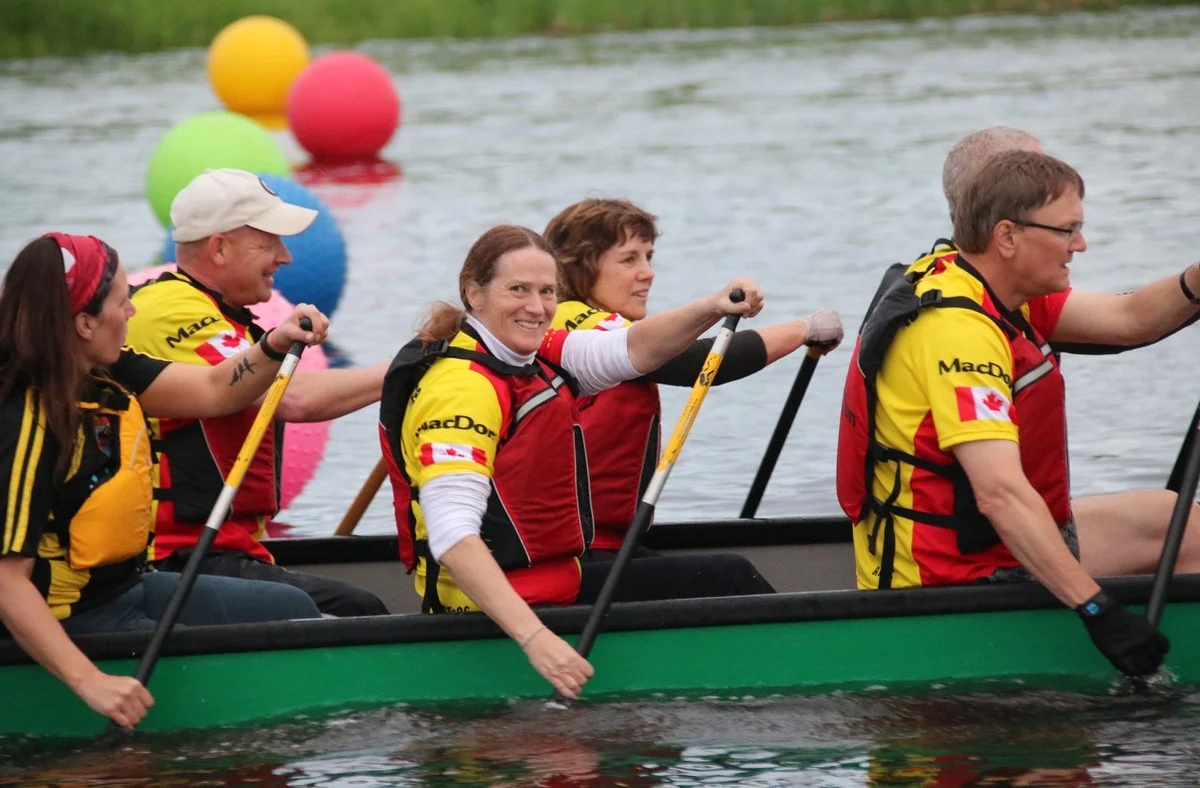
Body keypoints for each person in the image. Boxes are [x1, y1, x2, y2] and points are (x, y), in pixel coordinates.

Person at [835, 144, 1200, 678]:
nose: (1081, 245)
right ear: (1007, 236)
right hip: (954, 573)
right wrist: (1097, 610)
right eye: (1067, 230)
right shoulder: (957, 331)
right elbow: (1000, 494)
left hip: (989, 543)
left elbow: (1129, 319)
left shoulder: (988, 282)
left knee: (1179, 520)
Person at [378, 224, 775, 699]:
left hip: (556, 585)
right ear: (474, 294)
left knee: (721, 574)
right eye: (518, 290)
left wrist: (713, 307)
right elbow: (452, 536)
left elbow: (633, 349)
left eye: (547, 292)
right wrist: (536, 639)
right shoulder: (461, 387)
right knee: (726, 578)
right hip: (496, 612)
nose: (537, 307)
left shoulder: (527, 358)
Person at [0, 232, 326, 730]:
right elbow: (5, 582)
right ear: (84, 323)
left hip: (124, 588)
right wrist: (90, 682)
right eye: (119, 302)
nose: (131, 312)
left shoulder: (106, 371)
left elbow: (215, 389)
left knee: (292, 608)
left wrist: (274, 343)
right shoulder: (24, 417)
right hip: (70, 618)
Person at [125, 168, 389, 617]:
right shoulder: (168, 310)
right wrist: (406, 367)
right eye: (269, 242)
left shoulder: (218, 311)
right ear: (219, 247)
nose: (285, 257)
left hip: (228, 551)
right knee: (357, 609)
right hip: (173, 559)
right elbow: (292, 399)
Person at [543, 198, 844, 552]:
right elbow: (697, 364)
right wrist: (804, 329)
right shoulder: (574, 320)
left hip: (608, 541)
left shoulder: (594, 321)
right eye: (629, 259)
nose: (648, 272)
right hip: (579, 550)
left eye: (649, 257)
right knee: (734, 577)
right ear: (579, 268)